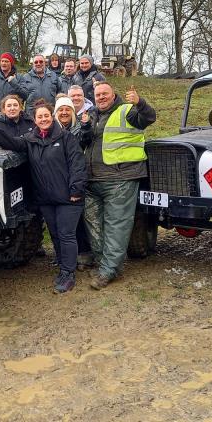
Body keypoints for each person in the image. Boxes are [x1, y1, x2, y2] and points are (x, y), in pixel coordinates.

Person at [0, 101, 87, 294]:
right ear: (35, 119)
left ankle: (68, 273)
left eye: (46, 116)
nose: (43, 119)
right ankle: (63, 263)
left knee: (66, 235)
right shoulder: (31, 139)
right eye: (39, 117)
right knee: (56, 234)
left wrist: (76, 190)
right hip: (47, 198)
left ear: (52, 116)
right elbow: (12, 143)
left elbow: (77, 165)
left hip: (68, 197)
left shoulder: (66, 138)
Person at [83, 82, 156, 289]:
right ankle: (102, 264)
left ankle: (109, 271)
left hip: (120, 179)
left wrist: (140, 102)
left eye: (105, 94)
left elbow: (148, 118)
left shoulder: (128, 111)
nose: (101, 97)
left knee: (117, 226)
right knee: (94, 225)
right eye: (98, 95)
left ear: (113, 94)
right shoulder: (92, 115)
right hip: (93, 180)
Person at [54, 94, 94, 269]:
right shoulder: (51, 129)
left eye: (67, 110)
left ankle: (84, 253)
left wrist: (85, 127)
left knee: (78, 220)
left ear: (72, 112)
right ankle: (64, 255)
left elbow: (86, 140)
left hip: (76, 178)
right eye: (60, 110)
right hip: (57, 179)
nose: (64, 112)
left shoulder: (79, 128)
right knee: (60, 222)